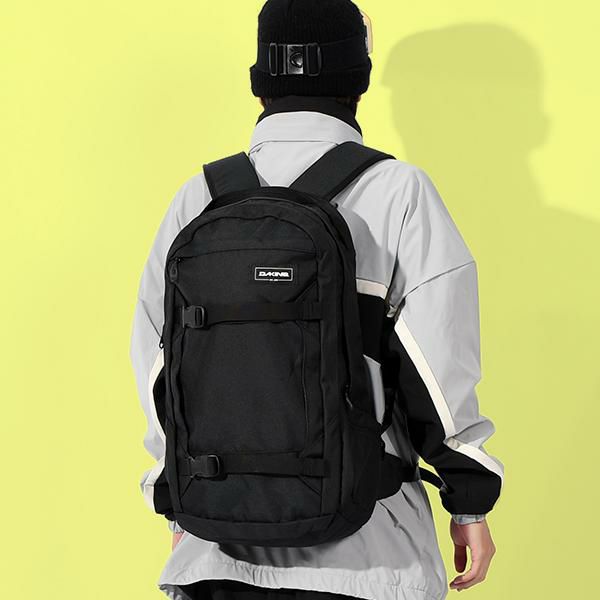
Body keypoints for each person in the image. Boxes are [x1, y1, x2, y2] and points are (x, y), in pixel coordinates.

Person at [129, 1, 504, 599]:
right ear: (359, 79)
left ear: (259, 83)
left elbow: (158, 365)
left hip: (215, 554)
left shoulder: (197, 198)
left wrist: (177, 501)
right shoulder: (400, 193)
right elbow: (437, 372)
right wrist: (469, 500)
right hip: (366, 553)